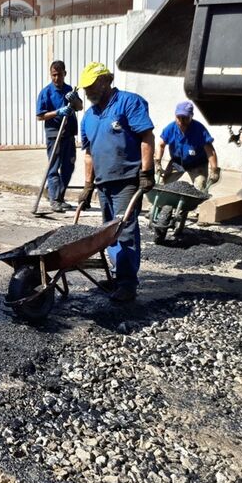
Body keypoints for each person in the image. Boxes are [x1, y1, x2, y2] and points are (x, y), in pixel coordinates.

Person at [78, 62, 155, 303]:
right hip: (103, 183)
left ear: (105, 81)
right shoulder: (89, 116)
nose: (87, 92)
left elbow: (147, 136)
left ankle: (127, 283)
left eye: (91, 86)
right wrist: (88, 185)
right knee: (109, 234)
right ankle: (117, 276)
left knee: (125, 231)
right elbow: (89, 153)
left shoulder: (129, 102)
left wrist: (147, 172)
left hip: (126, 180)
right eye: (85, 88)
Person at [36, 60, 84, 212]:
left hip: (68, 134)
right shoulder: (46, 92)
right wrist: (58, 112)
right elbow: (40, 116)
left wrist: (74, 100)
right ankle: (54, 199)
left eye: (59, 75)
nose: (56, 78)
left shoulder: (69, 89)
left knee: (68, 167)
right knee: (54, 167)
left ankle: (60, 197)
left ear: (65, 73)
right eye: (54, 75)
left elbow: (80, 107)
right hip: (54, 134)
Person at [155, 101, 220, 190]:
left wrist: (214, 169)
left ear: (191, 116)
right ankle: (163, 202)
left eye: (185, 118)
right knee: (163, 187)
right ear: (175, 116)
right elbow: (161, 145)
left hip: (197, 163)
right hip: (177, 162)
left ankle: (195, 202)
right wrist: (157, 162)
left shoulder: (199, 130)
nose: (181, 121)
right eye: (178, 117)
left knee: (200, 189)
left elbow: (210, 150)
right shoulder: (170, 128)